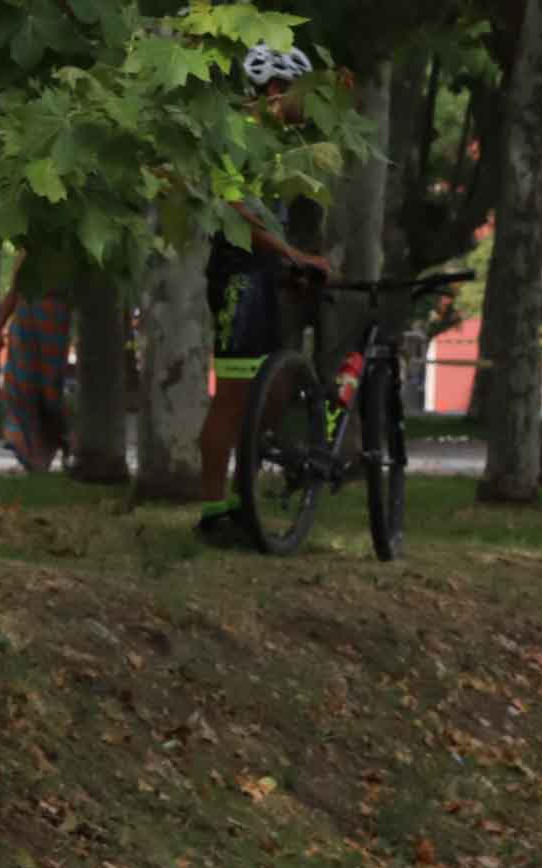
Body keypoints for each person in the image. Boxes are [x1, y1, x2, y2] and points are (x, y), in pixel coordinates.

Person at [196, 43, 333, 547]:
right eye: (301, 94)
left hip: (265, 273)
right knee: (231, 401)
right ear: (276, 89)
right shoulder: (236, 136)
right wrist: (293, 255)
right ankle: (213, 514)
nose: (307, 106)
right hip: (238, 274)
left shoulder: (273, 145)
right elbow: (237, 214)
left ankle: (242, 504)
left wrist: (289, 265)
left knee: (270, 396)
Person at [0, 257, 72, 472]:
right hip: (25, 322)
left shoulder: (71, 250)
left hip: (54, 321)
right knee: (20, 387)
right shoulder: (27, 253)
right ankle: (33, 456)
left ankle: (67, 441)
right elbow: (13, 292)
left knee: (51, 393)